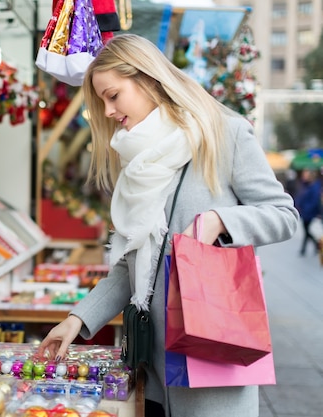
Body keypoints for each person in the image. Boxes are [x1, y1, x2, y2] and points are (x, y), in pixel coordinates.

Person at [37, 34, 299, 417]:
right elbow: (131, 265)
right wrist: (77, 319)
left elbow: (283, 215)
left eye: (113, 96)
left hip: (212, 360)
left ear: (147, 79)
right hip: (153, 368)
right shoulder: (137, 161)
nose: (108, 112)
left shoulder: (223, 134)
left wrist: (221, 220)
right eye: (102, 102)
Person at [294, 168, 321, 256]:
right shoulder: (306, 185)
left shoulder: (315, 186)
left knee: (306, 230)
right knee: (306, 230)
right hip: (305, 211)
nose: (304, 176)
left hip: (309, 212)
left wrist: (306, 208)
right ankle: (313, 246)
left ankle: (310, 246)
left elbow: (314, 200)